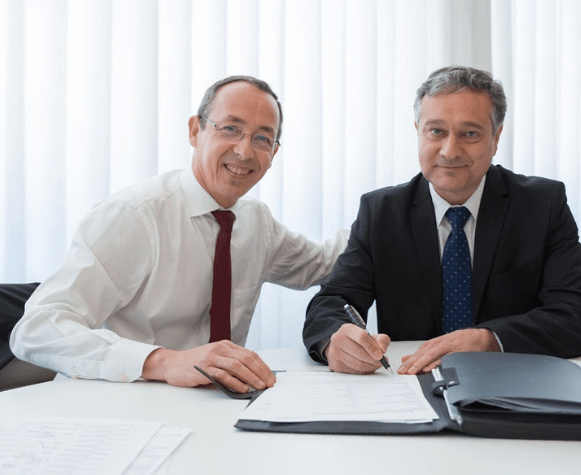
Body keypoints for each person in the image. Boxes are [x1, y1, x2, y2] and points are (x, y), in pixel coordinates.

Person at [10, 75, 348, 392]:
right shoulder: (135, 215)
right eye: (230, 128)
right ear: (194, 131)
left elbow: (327, 263)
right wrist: (167, 361)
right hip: (130, 406)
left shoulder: (257, 223)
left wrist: (389, 208)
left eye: (262, 138)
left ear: (273, 153)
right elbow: (37, 328)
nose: (245, 152)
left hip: (218, 409)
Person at [303, 66, 581, 375]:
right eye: (436, 131)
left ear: (496, 137)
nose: (450, 151)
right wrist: (333, 340)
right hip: (412, 381)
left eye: (470, 133)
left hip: (512, 378)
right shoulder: (381, 211)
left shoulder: (541, 204)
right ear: (418, 130)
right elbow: (333, 301)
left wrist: (489, 339)